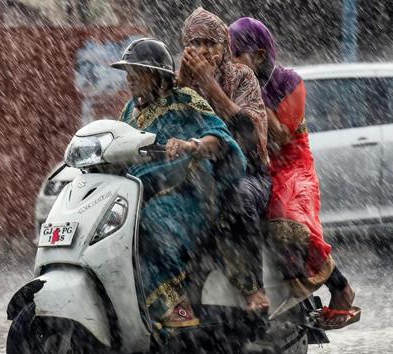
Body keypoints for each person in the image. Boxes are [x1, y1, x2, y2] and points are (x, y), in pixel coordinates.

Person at [228, 17, 360, 330]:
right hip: (251, 164)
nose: (231, 63)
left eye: (237, 55)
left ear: (259, 55)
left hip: (291, 165)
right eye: (228, 56)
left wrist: (251, 90)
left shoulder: (288, 82)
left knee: (287, 214)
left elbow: (280, 136)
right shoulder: (229, 82)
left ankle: (340, 288)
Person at [111, 38, 246, 329]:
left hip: (186, 195)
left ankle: (175, 305)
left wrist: (191, 145)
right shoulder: (127, 112)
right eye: (127, 70)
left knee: (146, 224)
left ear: (158, 76)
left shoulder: (184, 100)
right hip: (136, 193)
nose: (129, 77)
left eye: (137, 70)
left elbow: (220, 138)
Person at [176, 7, 271, 312]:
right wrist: (180, 85)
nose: (203, 50)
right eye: (195, 43)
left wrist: (209, 85)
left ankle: (253, 289)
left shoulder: (241, 77)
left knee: (236, 198)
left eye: (210, 43)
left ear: (224, 47)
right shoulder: (178, 83)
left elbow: (249, 136)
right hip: (194, 173)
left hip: (248, 174)